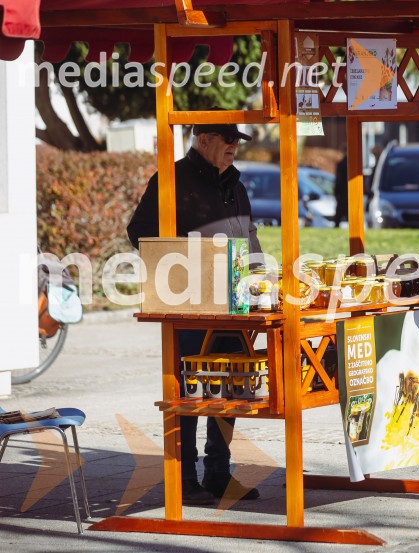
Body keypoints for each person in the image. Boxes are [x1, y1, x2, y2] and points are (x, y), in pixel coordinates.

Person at [127, 121, 262, 505]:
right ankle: (183, 476)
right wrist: (187, 266)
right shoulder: (170, 179)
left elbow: (249, 238)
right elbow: (139, 232)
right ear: (204, 140)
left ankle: (218, 473)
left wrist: (260, 276)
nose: (235, 145)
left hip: (234, 306)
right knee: (187, 388)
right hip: (187, 305)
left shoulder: (235, 184)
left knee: (231, 387)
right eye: (229, 139)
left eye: (238, 140)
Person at [333, 146, 348, 227]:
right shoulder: (353, 164)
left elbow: (338, 180)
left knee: (338, 215)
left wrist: (336, 192)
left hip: (342, 193)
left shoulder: (341, 164)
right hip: (349, 192)